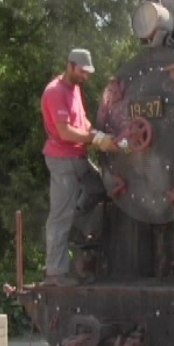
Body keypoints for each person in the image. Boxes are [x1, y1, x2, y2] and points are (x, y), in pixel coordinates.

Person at [41, 48, 117, 286]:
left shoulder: (75, 90)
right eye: (83, 71)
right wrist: (95, 140)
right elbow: (65, 132)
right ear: (71, 66)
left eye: (88, 73)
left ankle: (79, 230)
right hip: (62, 161)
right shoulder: (55, 92)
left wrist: (105, 137)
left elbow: (83, 125)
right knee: (59, 216)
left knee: (103, 190)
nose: (86, 76)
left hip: (78, 158)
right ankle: (55, 273)